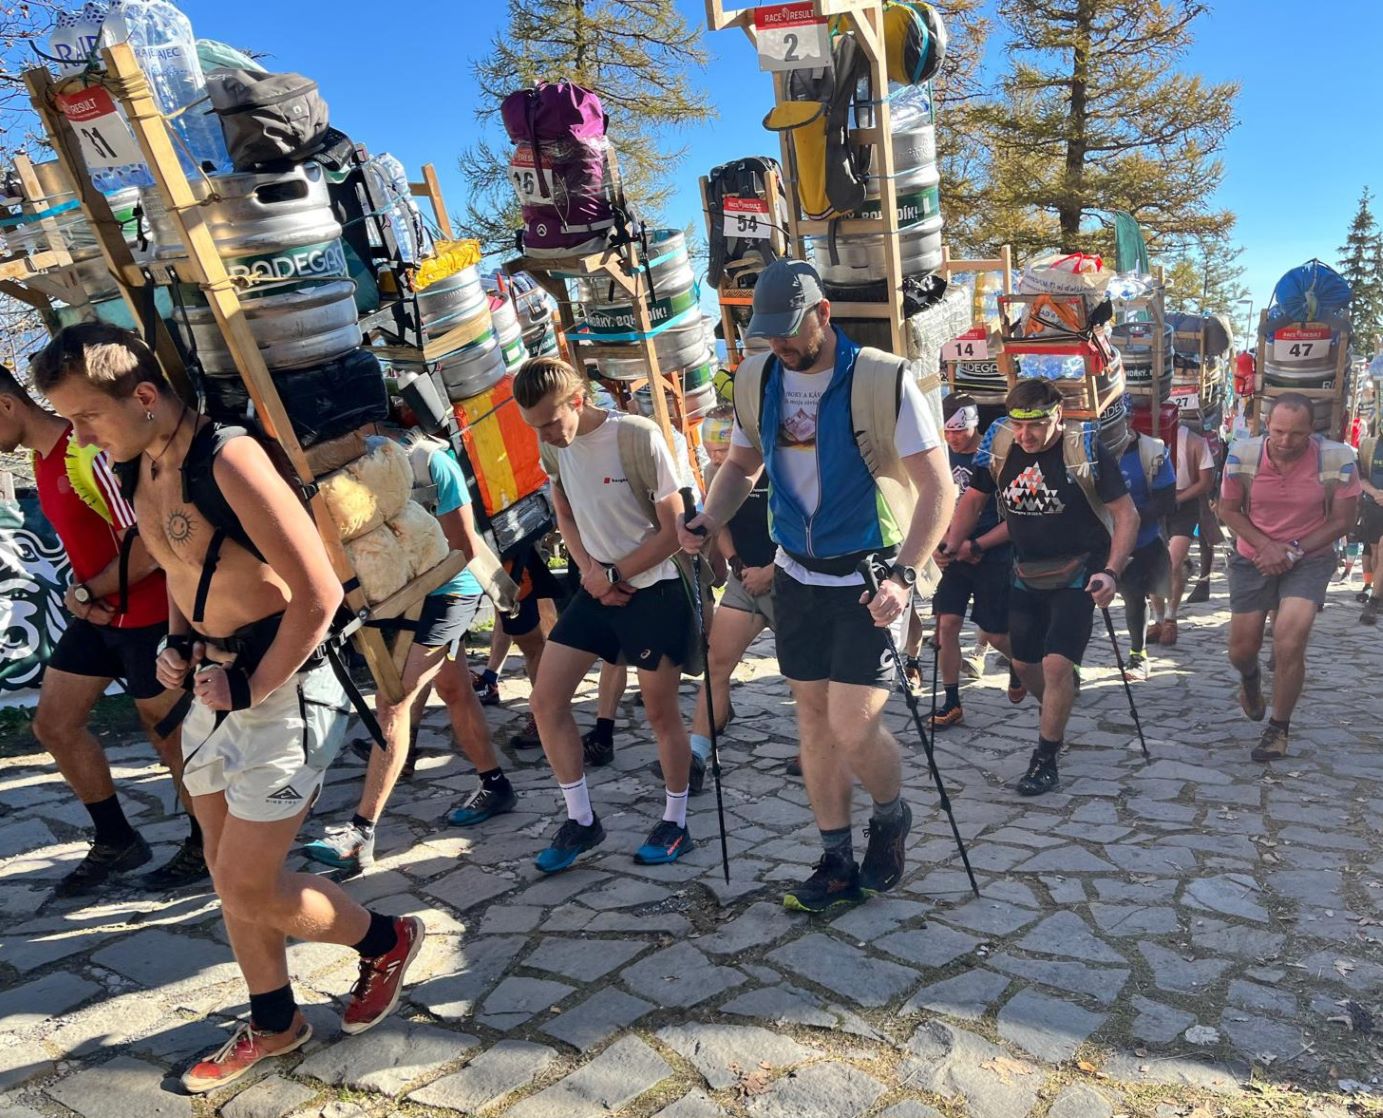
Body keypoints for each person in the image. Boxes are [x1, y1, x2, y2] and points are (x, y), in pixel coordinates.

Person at [33, 324, 425, 1091]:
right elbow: (185, 571)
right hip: (213, 688)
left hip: (285, 682)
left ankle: (384, 938)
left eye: (86, 417)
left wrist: (251, 684)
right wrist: (176, 644)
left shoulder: (232, 457)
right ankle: (275, 1021)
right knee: (223, 870)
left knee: (248, 881)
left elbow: (315, 594)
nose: (77, 436)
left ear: (144, 396)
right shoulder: (140, 464)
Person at [681, 259, 953, 914]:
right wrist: (707, 517)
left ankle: (889, 817)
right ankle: (833, 859)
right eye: (766, 332)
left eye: (788, 331)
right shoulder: (756, 377)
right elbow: (743, 463)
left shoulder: (882, 380)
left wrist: (905, 576)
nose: (778, 344)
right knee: (812, 721)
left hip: (868, 575)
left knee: (852, 726)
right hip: (795, 574)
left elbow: (938, 488)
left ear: (823, 314)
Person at [0, 364, 205, 896]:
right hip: (97, 616)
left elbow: (149, 539)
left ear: (6, 406)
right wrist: (88, 596)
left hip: (146, 614)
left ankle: (208, 843)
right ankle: (117, 839)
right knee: (54, 725)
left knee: (171, 738)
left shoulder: (86, 450)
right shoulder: (41, 458)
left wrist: (90, 591)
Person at [513, 356, 698, 873]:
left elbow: (673, 532)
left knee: (661, 713)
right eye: (535, 426)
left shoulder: (637, 436)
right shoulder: (553, 445)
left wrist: (613, 575)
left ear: (577, 399)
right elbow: (564, 508)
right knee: (546, 701)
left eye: (552, 421)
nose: (546, 434)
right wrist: (591, 571)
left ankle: (676, 822)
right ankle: (581, 820)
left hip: (656, 589)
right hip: (597, 588)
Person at [303, 435, 518, 874]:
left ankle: (362, 831)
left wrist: (497, 590)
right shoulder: (337, 471)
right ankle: (495, 785)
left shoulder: (431, 462)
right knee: (455, 690)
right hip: (399, 598)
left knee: (393, 701)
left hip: (448, 590)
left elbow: (462, 543)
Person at [947, 378, 1138, 797]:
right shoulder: (1000, 447)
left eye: (1035, 425)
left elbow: (1127, 516)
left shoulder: (1083, 452)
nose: (1025, 436)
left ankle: (1046, 757)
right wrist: (950, 543)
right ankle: (1058, 703)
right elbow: (974, 500)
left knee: (1054, 666)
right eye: (1017, 425)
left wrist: (1111, 571)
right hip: (1026, 571)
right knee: (1024, 664)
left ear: (1058, 416)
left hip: (1079, 571)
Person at [1220, 394, 1359, 760]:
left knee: (1289, 640)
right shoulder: (1242, 456)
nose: (1285, 441)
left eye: (1297, 434)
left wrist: (1291, 549)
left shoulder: (1337, 459)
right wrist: (1266, 546)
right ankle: (1250, 682)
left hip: (1309, 557)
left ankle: (1278, 728)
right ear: (1267, 424)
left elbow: (1343, 520)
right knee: (1241, 650)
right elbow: (1229, 510)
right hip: (1253, 556)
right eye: (1279, 431)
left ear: (1311, 430)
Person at [930, 394, 1022, 729]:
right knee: (946, 625)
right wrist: (938, 547)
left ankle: (1023, 662)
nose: (953, 438)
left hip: (993, 550)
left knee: (996, 635)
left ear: (974, 424)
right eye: (948, 431)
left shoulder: (998, 453)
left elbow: (1018, 517)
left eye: (960, 431)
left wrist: (977, 544)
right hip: (954, 551)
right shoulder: (940, 453)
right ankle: (952, 700)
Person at [471, 544, 562, 749]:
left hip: (506, 555)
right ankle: (491, 679)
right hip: (487, 554)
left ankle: (546, 717)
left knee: (534, 640)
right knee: (519, 627)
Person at [1113, 425, 1177, 680]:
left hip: (1140, 541)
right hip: (1092, 541)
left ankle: (1138, 654)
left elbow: (1166, 500)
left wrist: (1129, 522)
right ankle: (1070, 665)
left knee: (1134, 597)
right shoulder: (1084, 448)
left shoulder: (1152, 452)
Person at [1150, 421, 1216, 643]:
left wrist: (1179, 497)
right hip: (1156, 505)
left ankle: (1170, 617)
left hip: (1183, 505)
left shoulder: (1195, 442)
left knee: (1171, 563)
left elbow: (1206, 481)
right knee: (1156, 564)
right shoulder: (1146, 438)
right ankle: (1159, 619)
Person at [1354, 430, 1383, 625]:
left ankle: (1374, 600)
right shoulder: (1368, 446)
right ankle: (1376, 590)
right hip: (1374, 506)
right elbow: (1359, 476)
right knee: (1374, 551)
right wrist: (1375, 493)